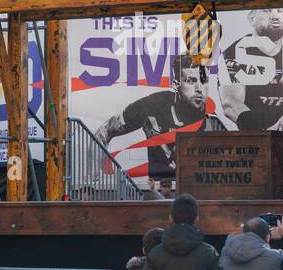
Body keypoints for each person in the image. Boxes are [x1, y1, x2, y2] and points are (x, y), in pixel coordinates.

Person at [94, 55, 226, 182]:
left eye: (204, 81)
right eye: (191, 81)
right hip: (159, 190)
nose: (199, 89)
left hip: (194, 191)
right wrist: (95, 174)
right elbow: (105, 130)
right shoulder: (152, 105)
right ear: (175, 84)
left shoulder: (212, 121)